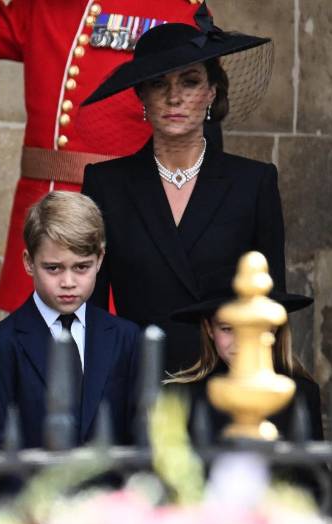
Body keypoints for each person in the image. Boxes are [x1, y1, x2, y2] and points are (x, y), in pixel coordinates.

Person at [0, 0, 207, 313]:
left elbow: (196, 139)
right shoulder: (45, 8)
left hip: (127, 226)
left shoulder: (179, 12)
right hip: (44, 220)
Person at [79, 10, 283, 376]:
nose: (174, 97)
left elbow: (271, 302)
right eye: (159, 83)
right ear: (141, 95)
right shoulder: (106, 184)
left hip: (229, 384)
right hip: (136, 383)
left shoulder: (253, 182)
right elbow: (90, 309)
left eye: (189, 82)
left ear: (211, 93)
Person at [0, 191, 140, 451]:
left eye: (81, 267)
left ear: (99, 259)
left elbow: (139, 436)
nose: (68, 282)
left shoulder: (126, 337)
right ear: (29, 262)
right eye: (53, 268)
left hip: (109, 491)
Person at [166, 287, 322, 442]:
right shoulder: (181, 396)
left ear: (274, 329)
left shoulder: (302, 393)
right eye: (227, 329)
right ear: (209, 329)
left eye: (255, 327)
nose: (242, 341)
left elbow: (313, 465)